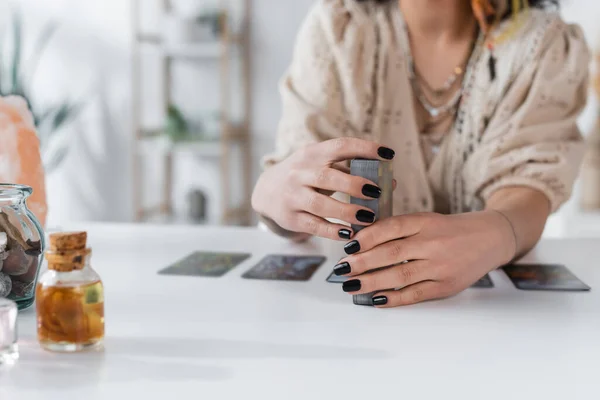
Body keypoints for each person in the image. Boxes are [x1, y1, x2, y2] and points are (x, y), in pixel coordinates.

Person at [252, 0, 588, 307]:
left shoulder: (542, 43)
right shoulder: (339, 27)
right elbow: (298, 196)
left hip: (485, 320)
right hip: (354, 324)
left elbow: (529, 184)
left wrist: (500, 231)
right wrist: (273, 201)